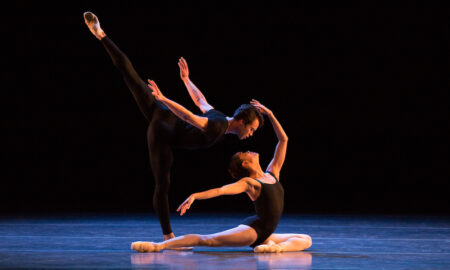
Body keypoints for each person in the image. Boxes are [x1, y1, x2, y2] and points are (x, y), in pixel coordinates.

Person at [83, 12, 264, 241]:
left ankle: (100, 35)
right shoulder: (218, 127)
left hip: (163, 115)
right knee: (163, 184)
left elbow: (200, 101)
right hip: (163, 133)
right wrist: (164, 97)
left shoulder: (221, 118)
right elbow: (190, 117)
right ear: (242, 121)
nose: (251, 134)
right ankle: (168, 236)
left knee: (131, 77)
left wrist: (186, 80)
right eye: (252, 129)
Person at [131, 100, 312, 253]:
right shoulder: (249, 183)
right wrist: (196, 196)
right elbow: (220, 191)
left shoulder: (273, 172)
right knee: (206, 240)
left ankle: (274, 248)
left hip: (266, 233)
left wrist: (270, 114)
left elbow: (283, 140)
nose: (248, 149)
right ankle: (158, 245)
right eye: (244, 153)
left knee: (306, 239)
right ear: (245, 164)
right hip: (254, 231)